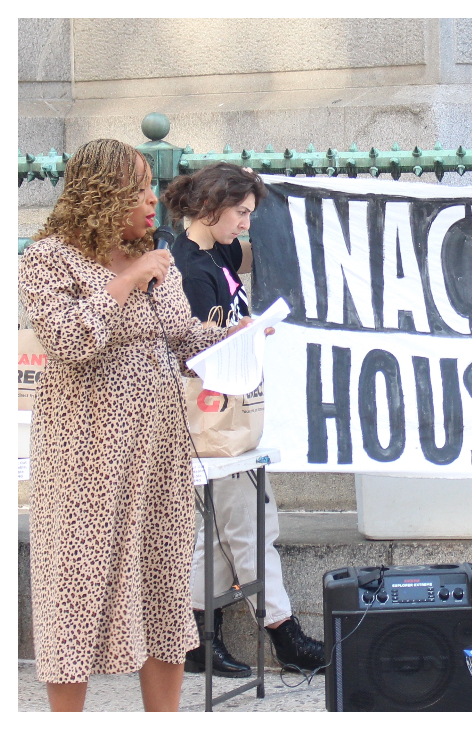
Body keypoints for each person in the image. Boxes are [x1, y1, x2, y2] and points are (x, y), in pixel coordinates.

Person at [17, 139, 248, 711]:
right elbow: (70, 339)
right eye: (140, 188)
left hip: (159, 454)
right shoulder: (49, 260)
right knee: (74, 591)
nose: (154, 200)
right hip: (85, 458)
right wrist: (124, 282)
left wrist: (238, 337)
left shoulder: (156, 255)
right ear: (102, 195)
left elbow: (182, 335)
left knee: (164, 587)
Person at [161, 162, 326, 675]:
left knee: (218, 534)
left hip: (228, 413)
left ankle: (191, 638)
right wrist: (247, 333)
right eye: (241, 213)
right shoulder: (190, 270)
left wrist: (268, 192)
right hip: (211, 417)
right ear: (211, 209)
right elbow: (193, 352)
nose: (247, 225)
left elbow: (270, 250)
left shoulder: (218, 250)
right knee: (252, 524)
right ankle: (284, 633)